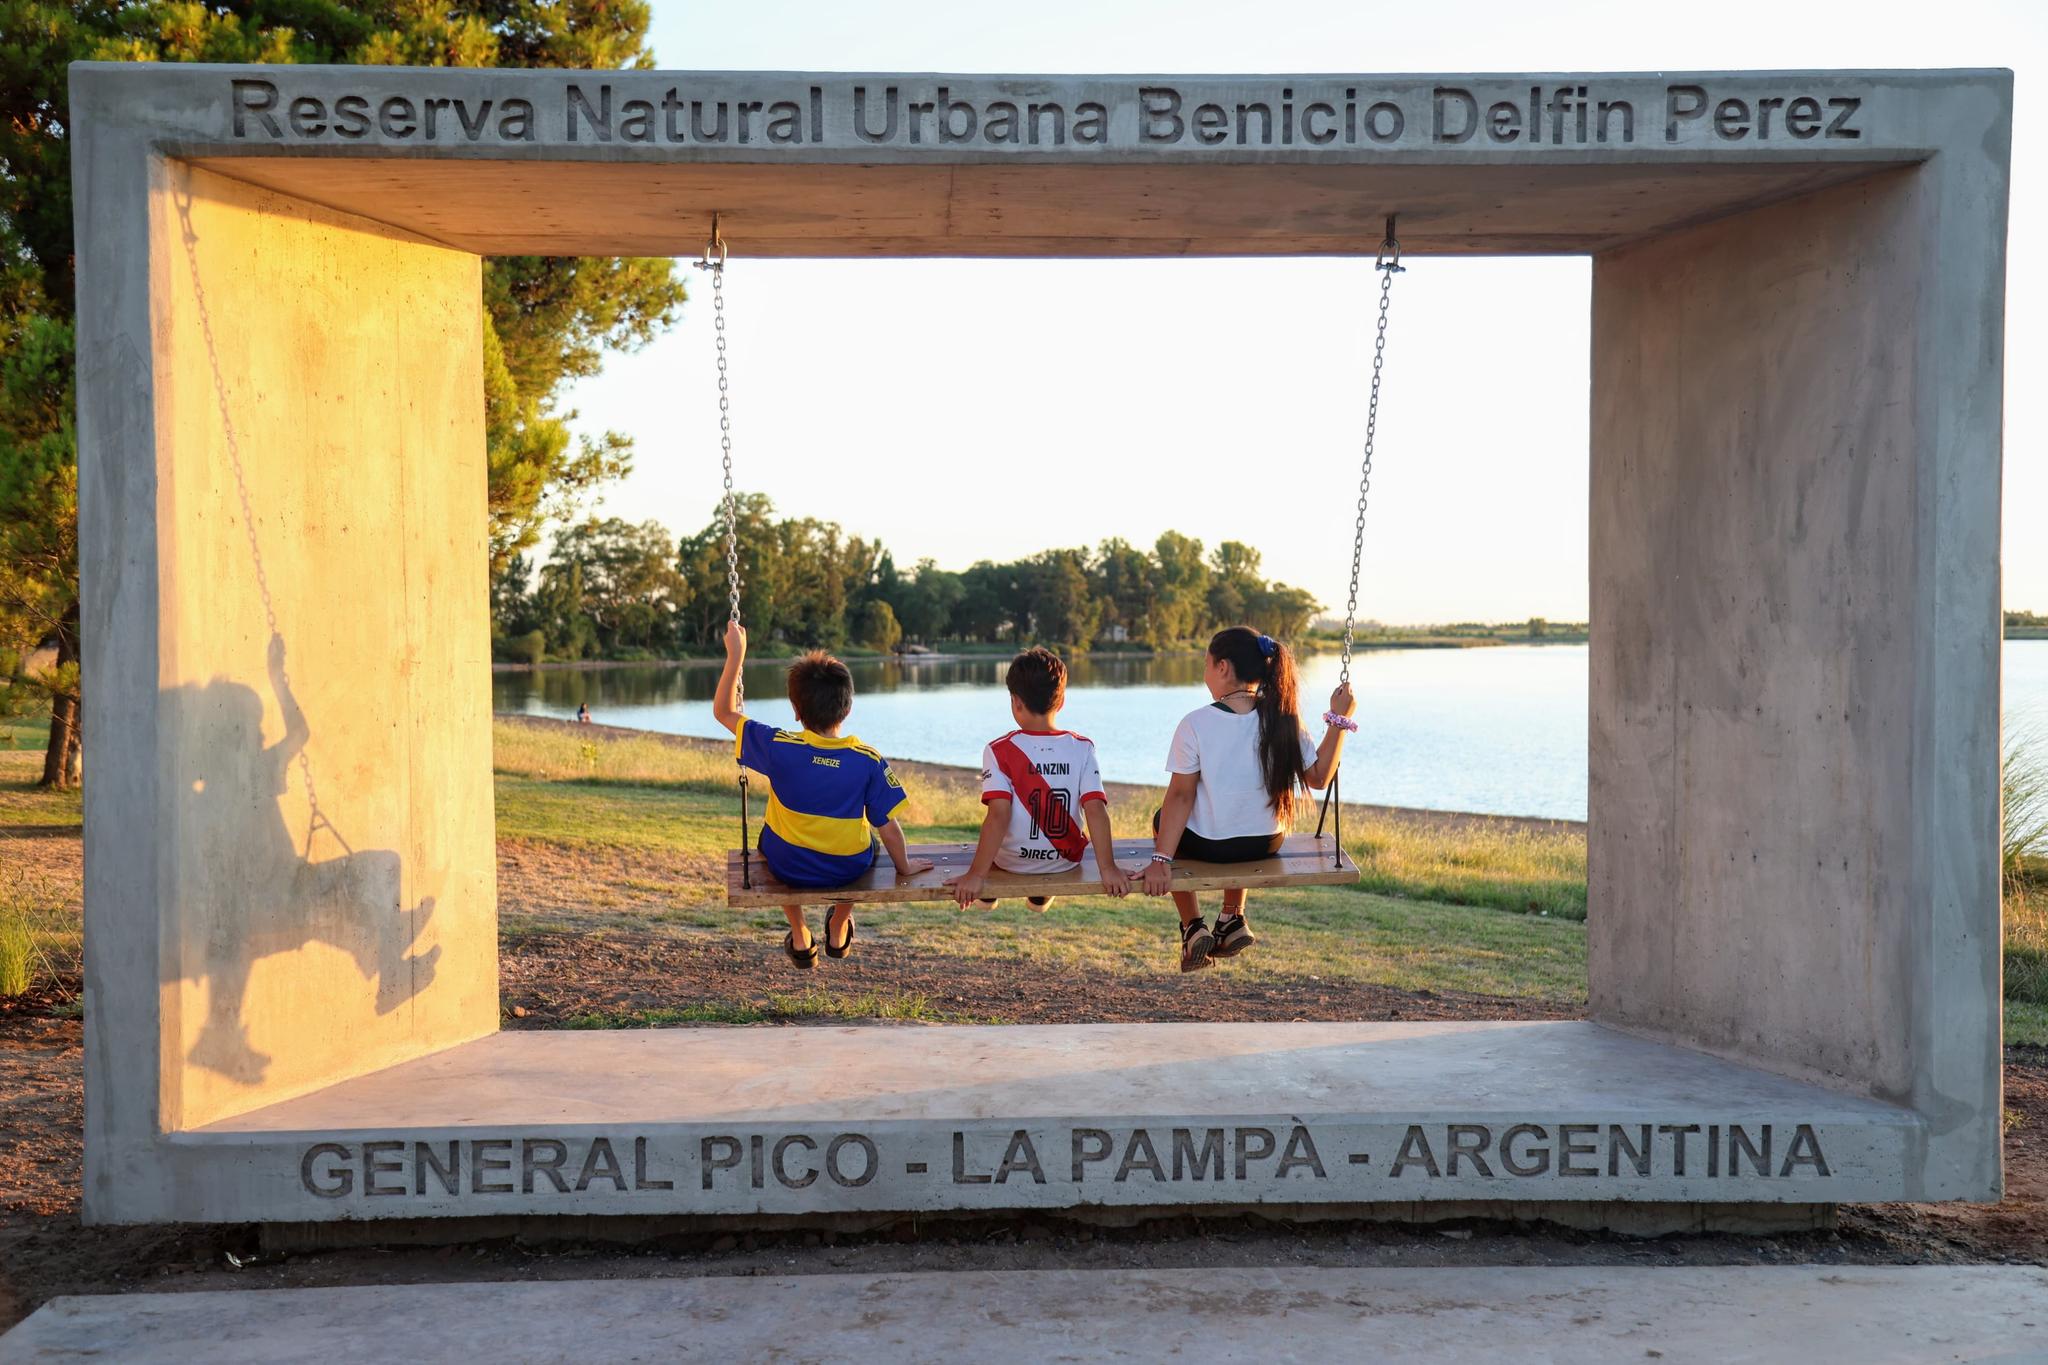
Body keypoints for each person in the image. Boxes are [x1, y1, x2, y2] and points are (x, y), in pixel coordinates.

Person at [711, 621, 931, 968]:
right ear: (847, 708)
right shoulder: (867, 760)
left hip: (788, 864)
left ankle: (800, 934)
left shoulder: (778, 746)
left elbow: (724, 712)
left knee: (769, 839)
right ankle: (839, 924)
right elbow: (887, 826)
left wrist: (736, 655)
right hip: (847, 867)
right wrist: (905, 866)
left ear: (797, 712)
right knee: (868, 845)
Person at [1140, 625, 1355, 972]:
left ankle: (1193, 927)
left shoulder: (1196, 723)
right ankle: (1231, 918)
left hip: (1212, 846)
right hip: (1265, 843)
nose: (1205, 671)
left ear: (1222, 667)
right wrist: (1340, 720)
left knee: (1162, 817)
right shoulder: (1284, 719)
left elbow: (1181, 796)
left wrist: (1160, 860)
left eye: (1206, 663)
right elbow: (1319, 778)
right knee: (1238, 813)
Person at [946, 648, 1132, 910]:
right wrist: (1108, 868)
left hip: (1012, 861)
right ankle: (1039, 895)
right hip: (1065, 860)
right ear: (1061, 701)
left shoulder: (998, 750)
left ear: (1016, 702)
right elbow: (1095, 810)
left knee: (996, 820)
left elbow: (999, 816)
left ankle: (989, 893)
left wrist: (976, 875)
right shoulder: (1082, 747)